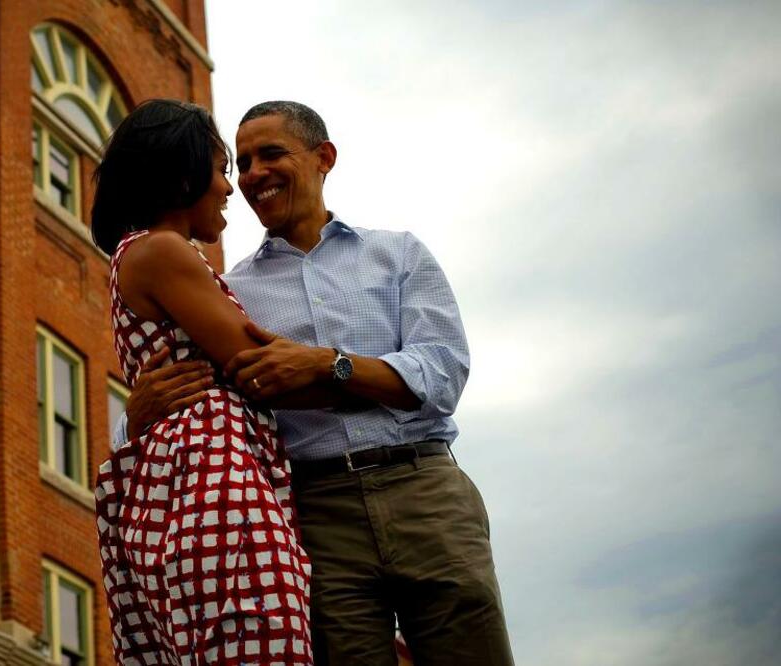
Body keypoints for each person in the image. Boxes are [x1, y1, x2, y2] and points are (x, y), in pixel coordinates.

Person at [121, 101, 515, 665]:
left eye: (271, 154)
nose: (253, 174)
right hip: (313, 513)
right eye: (243, 161)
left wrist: (331, 364)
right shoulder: (230, 291)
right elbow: (187, 395)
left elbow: (442, 371)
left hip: (424, 488)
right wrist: (133, 416)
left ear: (323, 157)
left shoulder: (397, 254)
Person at [91, 99, 326, 665]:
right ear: (181, 175)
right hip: (215, 485)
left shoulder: (143, 256)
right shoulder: (164, 250)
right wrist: (366, 378)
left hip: (182, 484)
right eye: (222, 169)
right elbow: (255, 364)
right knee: (261, 639)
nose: (229, 188)